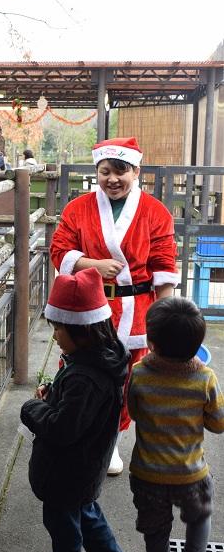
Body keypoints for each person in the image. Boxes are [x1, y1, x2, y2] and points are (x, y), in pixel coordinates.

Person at [50, 136, 179, 475]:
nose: (112, 179)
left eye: (121, 171)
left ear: (136, 171)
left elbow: (164, 266)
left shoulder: (155, 212)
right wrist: (92, 264)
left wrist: (164, 324)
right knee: (81, 373)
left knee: (127, 379)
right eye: (105, 171)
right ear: (97, 171)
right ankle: (73, 431)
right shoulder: (78, 208)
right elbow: (59, 251)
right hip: (89, 307)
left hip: (136, 309)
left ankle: (111, 442)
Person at [20, 267, 131, 552]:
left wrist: (32, 409)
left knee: (63, 524)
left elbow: (63, 428)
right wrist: (54, 394)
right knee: (88, 515)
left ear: (81, 329)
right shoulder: (103, 360)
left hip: (67, 469)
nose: (54, 335)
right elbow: (80, 412)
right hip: (87, 465)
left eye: (58, 328)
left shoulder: (84, 376)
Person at [128, 297, 224, 552]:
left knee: (155, 531)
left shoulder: (139, 373)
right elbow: (218, 424)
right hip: (190, 474)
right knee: (200, 515)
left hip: (148, 474)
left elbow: (134, 412)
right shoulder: (205, 378)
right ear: (197, 344)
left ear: (151, 342)